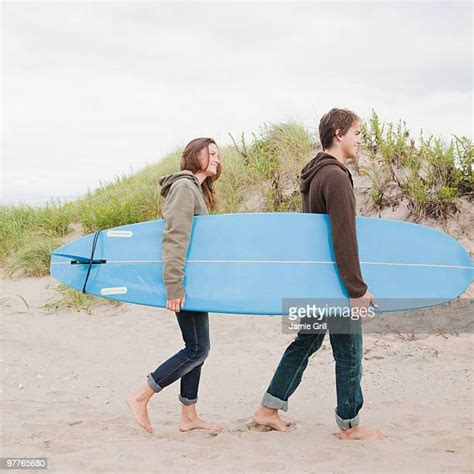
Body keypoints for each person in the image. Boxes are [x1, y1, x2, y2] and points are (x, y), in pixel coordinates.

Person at [253, 108, 383, 440]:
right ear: (338, 133)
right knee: (349, 350)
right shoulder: (336, 177)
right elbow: (343, 235)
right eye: (356, 133)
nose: (359, 140)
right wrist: (356, 288)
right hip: (336, 284)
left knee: (306, 342)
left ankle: (269, 408)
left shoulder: (314, 174)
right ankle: (350, 426)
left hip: (317, 280)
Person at [126, 137, 223, 433]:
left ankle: (189, 416)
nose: (218, 160)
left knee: (197, 347)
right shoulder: (183, 188)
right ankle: (141, 396)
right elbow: (175, 237)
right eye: (213, 154)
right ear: (196, 156)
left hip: (195, 282)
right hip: (183, 282)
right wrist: (174, 285)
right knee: (197, 349)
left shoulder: (194, 189)